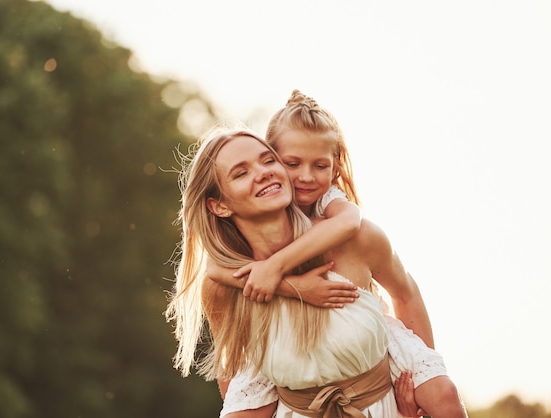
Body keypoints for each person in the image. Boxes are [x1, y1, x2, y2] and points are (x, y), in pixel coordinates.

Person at [209, 91, 468, 417]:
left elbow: (354, 227)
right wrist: (296, 287)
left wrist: (417, 380)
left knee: (442, 393)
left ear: (334, 168)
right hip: (297, 390)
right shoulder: (237, 251)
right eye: (292, 163)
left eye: (319, 166)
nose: (305, 176)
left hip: (372, 366)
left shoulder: (341, 216)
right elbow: (215, 276)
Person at [166, 126, 438, 417]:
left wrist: (419, 390)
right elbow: (234, 375)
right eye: (241, 173)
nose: (263, 172)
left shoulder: (357, 239)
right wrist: (295, 288)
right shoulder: (222, 283)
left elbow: (406, 296)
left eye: (268, 160)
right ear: (219, 205)